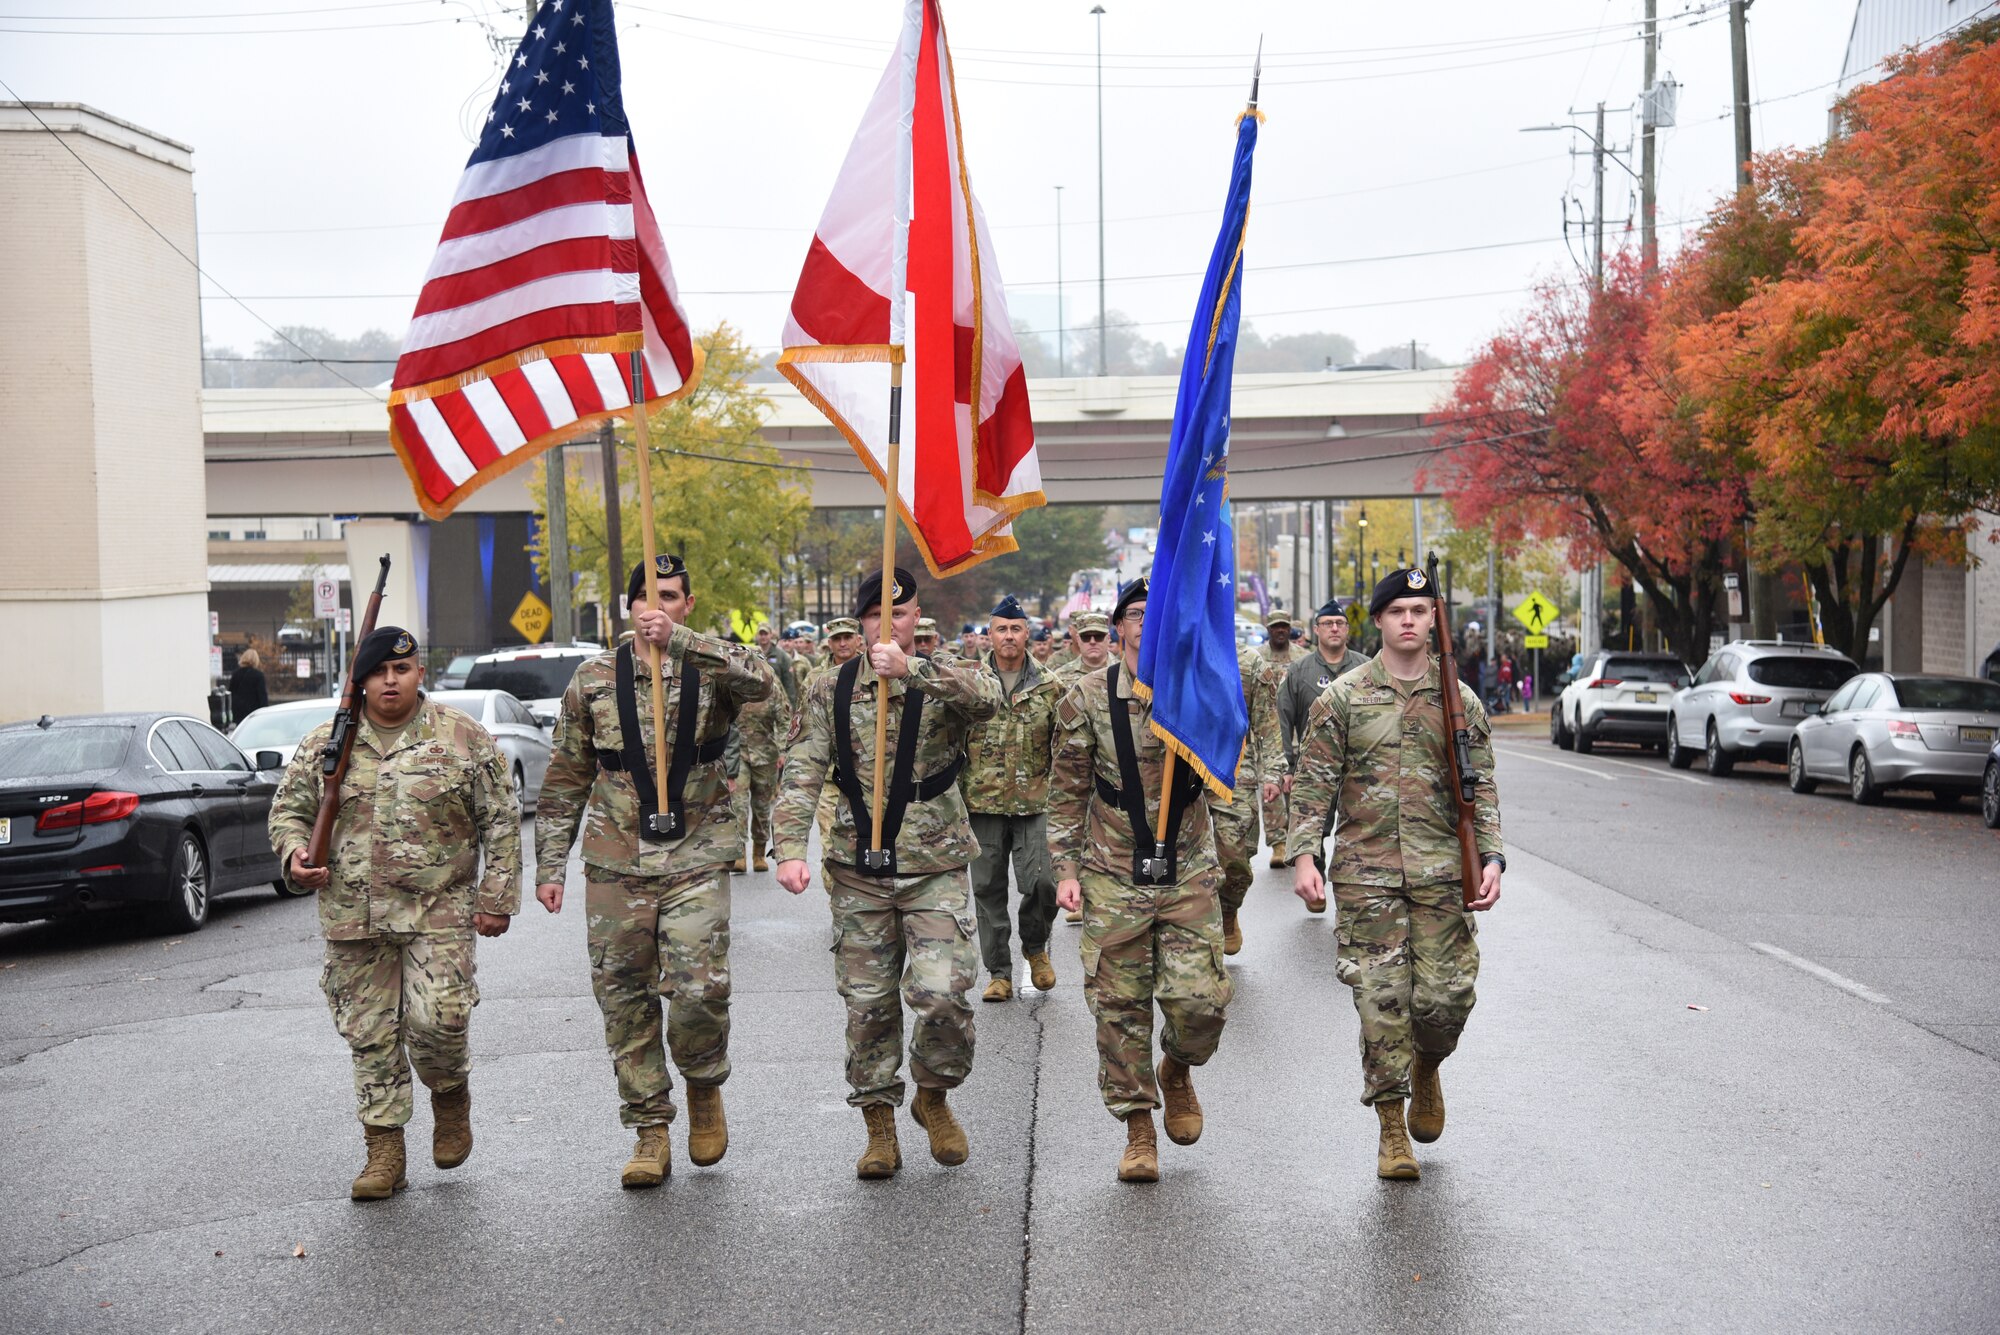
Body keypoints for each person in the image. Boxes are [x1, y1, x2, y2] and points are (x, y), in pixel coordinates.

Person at [531, 555, 776, 1188]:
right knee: (623, 994)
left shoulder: (713, 667)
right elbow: (565, 776)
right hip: (616, 856)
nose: (657, 607)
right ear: (629, 606)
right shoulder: (592, 679)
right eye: (647, 597)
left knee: (699, 988)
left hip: (697, 851)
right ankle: (649, 1127)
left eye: (670, 597)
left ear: (687, 604)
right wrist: (549, 864)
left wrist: (687, 646)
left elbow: (765, 684)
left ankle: (702, 1085)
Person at [268, 627, 520, 1201]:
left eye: (400, 670)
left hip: (438, 908)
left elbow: (500, 821)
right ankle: (384, 1152)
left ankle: (449, 1090)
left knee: (439, 1021)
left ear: (418, 674)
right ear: (361, 679)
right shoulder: (325, 745)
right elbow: (287, 812)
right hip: (352, 915)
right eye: (377, 671)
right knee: (370, 1034)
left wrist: (496, 898)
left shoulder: (462, 737)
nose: (389, 680)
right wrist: (295, 855)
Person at [773, 566, 1001, 1179]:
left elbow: (991, 700)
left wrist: (915, 669)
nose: (887, 625)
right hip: (858, 868)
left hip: (935, 863)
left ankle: (933, 1094)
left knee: (944, 995)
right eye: (876, 615)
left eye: (899, 615)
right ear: (861, 620)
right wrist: (789, 846)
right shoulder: (829, 687)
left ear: (916, 617)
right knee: (868, 1006)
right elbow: (801, 769)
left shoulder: (945, 674)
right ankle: (878, 1125)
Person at [1287, 568, 1503, 1182]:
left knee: (1446, 1001)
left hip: (1442, 875)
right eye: (1396, 611)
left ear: (1433, 619)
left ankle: (1428, 1066)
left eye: (1418, 609)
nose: (1408, 620)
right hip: (1367, 877)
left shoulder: (1461, 702)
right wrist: (1305, 855)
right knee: (1383, 1005)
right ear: (1377, 622)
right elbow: (1313, 787)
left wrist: (1492, 858)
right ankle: (1390, 1129)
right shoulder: (1343, 698)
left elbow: (1480, 788)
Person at [1050, 580, 1232, 1183]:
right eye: (1135, 614)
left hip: (1187, 870)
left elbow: (1235, 771)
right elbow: (1068, 788)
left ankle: (1177, 1068)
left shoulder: (1199, 691)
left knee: (1201, 1003)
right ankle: (1137, 1128)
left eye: (1159, 613)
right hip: (1113, 872)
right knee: (1117, 1007)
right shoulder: (1085, 698)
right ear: (1120, 627)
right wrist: (1067, 868)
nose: (1146, 623)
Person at [963, 595, 1063, 1002]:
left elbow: (1065, 747)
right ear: (989, 635)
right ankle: (999, 972)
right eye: (1001, 629)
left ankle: (1036, 948)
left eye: (1016, 629)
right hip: (981, 802)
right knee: (987, 888)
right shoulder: (971, 683)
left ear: (1028, 635)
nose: (1008, 636)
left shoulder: (1051, 686)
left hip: (1035, 802)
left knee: (1043, 883)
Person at [1275, 598, 1373, 910]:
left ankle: (1359, 886)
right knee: (1312, 825)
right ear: (1316, 629)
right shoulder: (1299, 671)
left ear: (1347, 630)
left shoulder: (1366, 667)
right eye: (1328, 623)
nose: (1334, 628)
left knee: (1361, 827)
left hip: (1358, 768)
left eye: (1340, 624)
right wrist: (1288, 766)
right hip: (1313, 767)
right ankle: (1314, 876)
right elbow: (1283, 718)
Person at [1208, 642, 1285, 955]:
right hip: (1179, 770)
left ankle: (1228, 911)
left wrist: (1274, 772)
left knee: (1235, 859)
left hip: (1233, 769)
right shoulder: (1172, 649)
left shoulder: (1249, 662)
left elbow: (1268, 722)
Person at [737, 624, 797, 872]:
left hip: (766, 754)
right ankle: (739, 853)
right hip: (738, 755)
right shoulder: (734, 687)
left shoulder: (772, 688)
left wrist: (783, 751)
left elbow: (785, 719)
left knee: (762, 808)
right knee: (738, 804)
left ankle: (759, 852)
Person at [1254, 613, 1304, 867]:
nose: (1281, 631)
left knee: (1297, 790)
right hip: (1268, 733)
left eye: (1285, 626)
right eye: (1276, 627)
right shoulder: (1258, 657)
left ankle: (1298, 841)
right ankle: (1278, 844)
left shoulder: (1301, 659)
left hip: (1297, 730)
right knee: (1271, 788)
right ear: (1269, 629)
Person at [228, 647, 269, 724]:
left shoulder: (236, 674)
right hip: (254, 713)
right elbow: (262, 696)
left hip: (238, 712)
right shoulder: (258, 675)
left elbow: (231, 692)